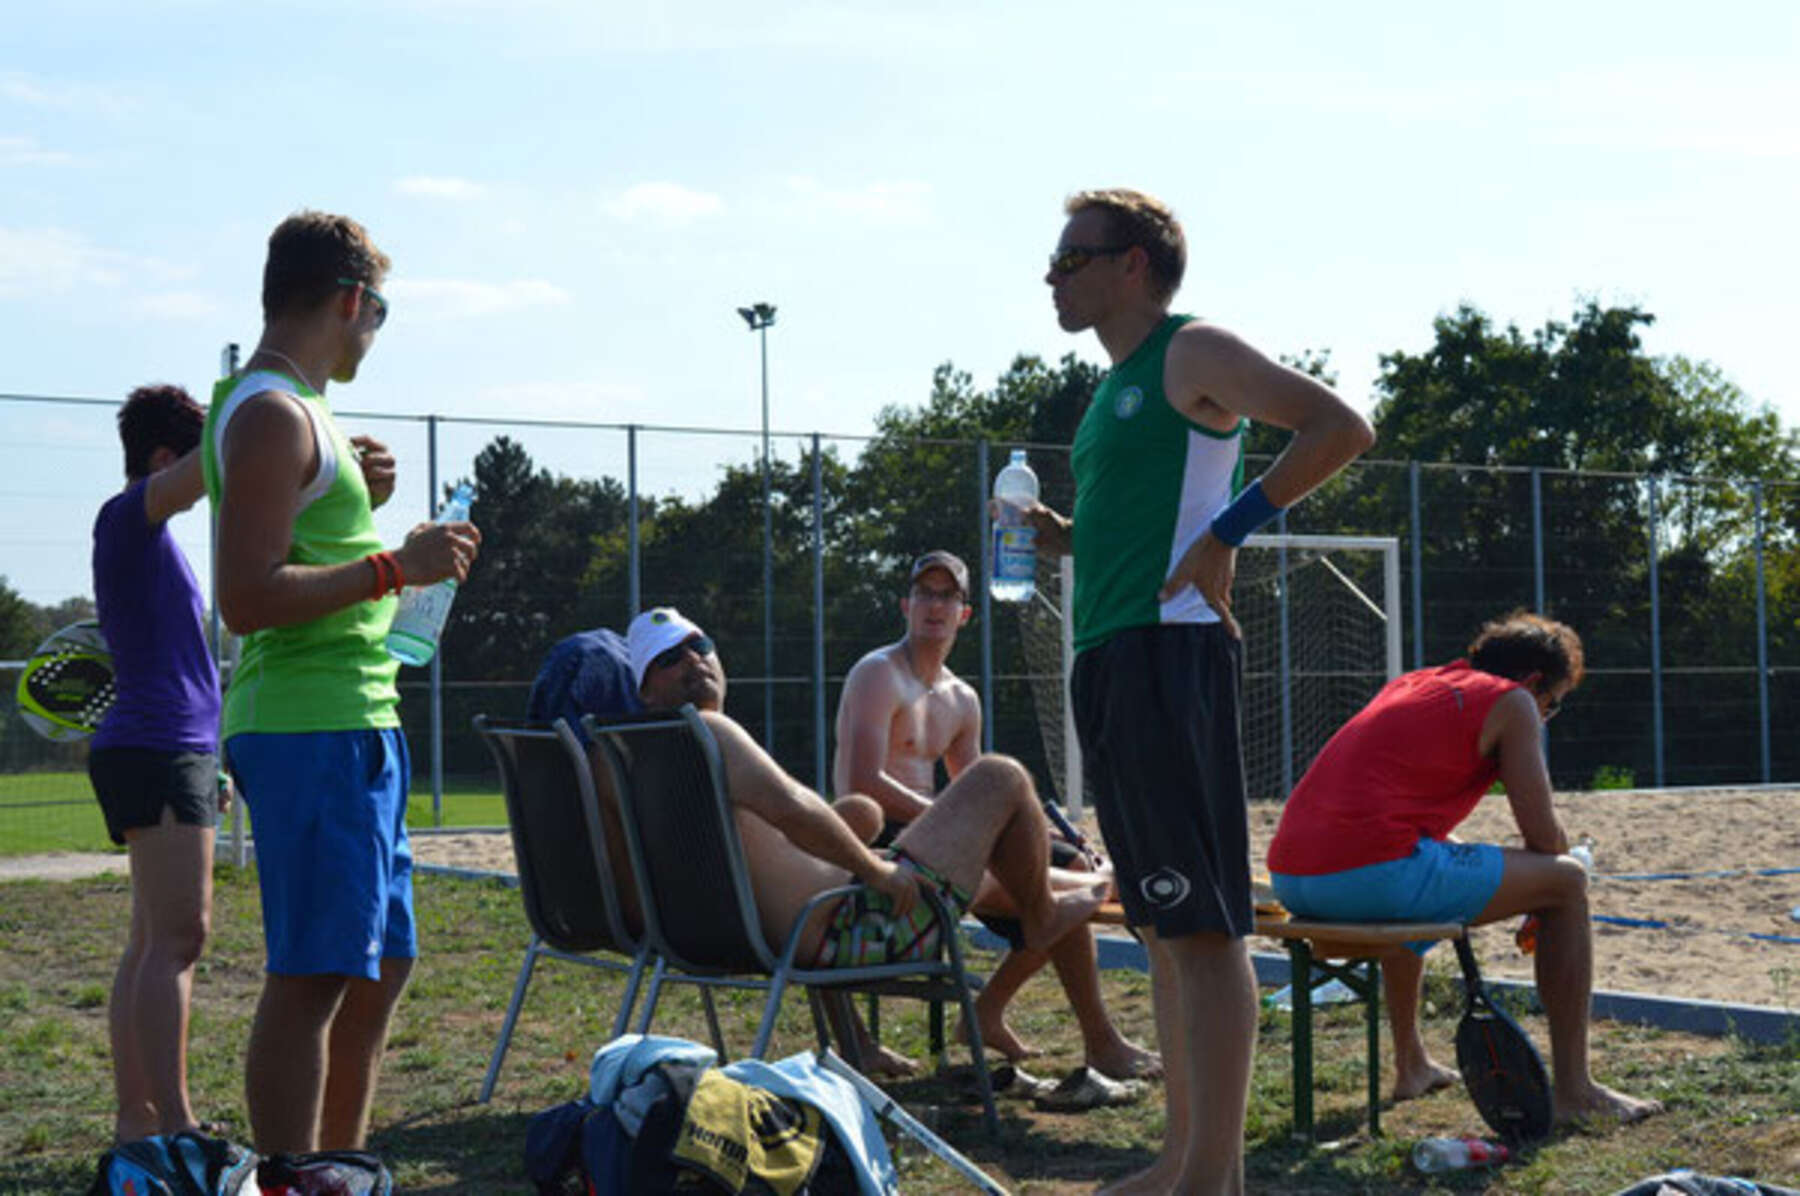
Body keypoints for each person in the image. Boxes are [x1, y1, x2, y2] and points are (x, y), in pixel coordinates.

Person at [1023, 187, 1374, 1195]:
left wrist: (1231, 532)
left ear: (1132, 263)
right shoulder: (1112, 390)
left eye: (1071, 258)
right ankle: (1185, 1160)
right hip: (1112, 655)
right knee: (1162, 926)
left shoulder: (1192, 349)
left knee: (1207, 928)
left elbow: (1341, 426)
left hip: (1169, 656)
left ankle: (1212, 1177)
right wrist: (1064, 537)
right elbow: (1147, 522)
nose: (1052, 276)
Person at [204, 210, 480, 1154]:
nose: (375, 333)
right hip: (310, 725)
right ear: (353, 300)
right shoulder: (273, 414)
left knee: (380, 968)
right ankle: (294, 1177)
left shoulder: (295, 411)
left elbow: (304, 540)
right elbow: (247, 596)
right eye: (380, 314)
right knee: (316, 975)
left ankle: (339, 1166)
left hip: (355, 720)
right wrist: (397, 565)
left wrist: (361, 497)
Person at [1267, 611, 1662, 1125]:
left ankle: (1412, 1063)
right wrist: (1549, 879)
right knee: (1568, 882)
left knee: (1429, 868)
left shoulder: (1416, 682)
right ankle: (1575, 1090)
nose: (1547, 716)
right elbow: (1544, 836)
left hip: (1293, 878)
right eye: (1554, 704)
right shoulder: (1513, 701)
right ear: (1534, 682)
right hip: (1370, 875)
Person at [624, 607, 1109, 991]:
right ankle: (1050, 912)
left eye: (699, 646)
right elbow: (793, 809)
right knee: (1000, 778)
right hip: (855, 931)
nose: (693, 661)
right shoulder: (708, 733)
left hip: (763, 934)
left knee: (861, 817)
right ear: (645, 691)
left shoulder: (636, 757)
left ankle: (1096, 885)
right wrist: (876, 871)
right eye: (669, 659)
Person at [833, 550, 1158, 1082]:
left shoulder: (961, 698)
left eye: (947, 596)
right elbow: (862, 784)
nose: (934, 605)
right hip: (884, 836)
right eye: (924, 593)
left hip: (943, 835)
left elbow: (978, 793)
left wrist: (1032, 831)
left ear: (964, 614)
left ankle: (999, 1014)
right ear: (905, 606)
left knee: (1070, 861)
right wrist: (953, 821)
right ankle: (1098, 1008)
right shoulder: (878, 674)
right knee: (1064, 886)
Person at [87, 384, 225, 1142]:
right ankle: (175, 1126)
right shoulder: (127, 515)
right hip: (157, 747)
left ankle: (139, 1123)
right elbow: (203, 472)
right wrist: (250, 412)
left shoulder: (154, 537)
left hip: (172, 749)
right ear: (164, 459)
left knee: (150, 943)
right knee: (179, 940)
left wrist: (211, 765)